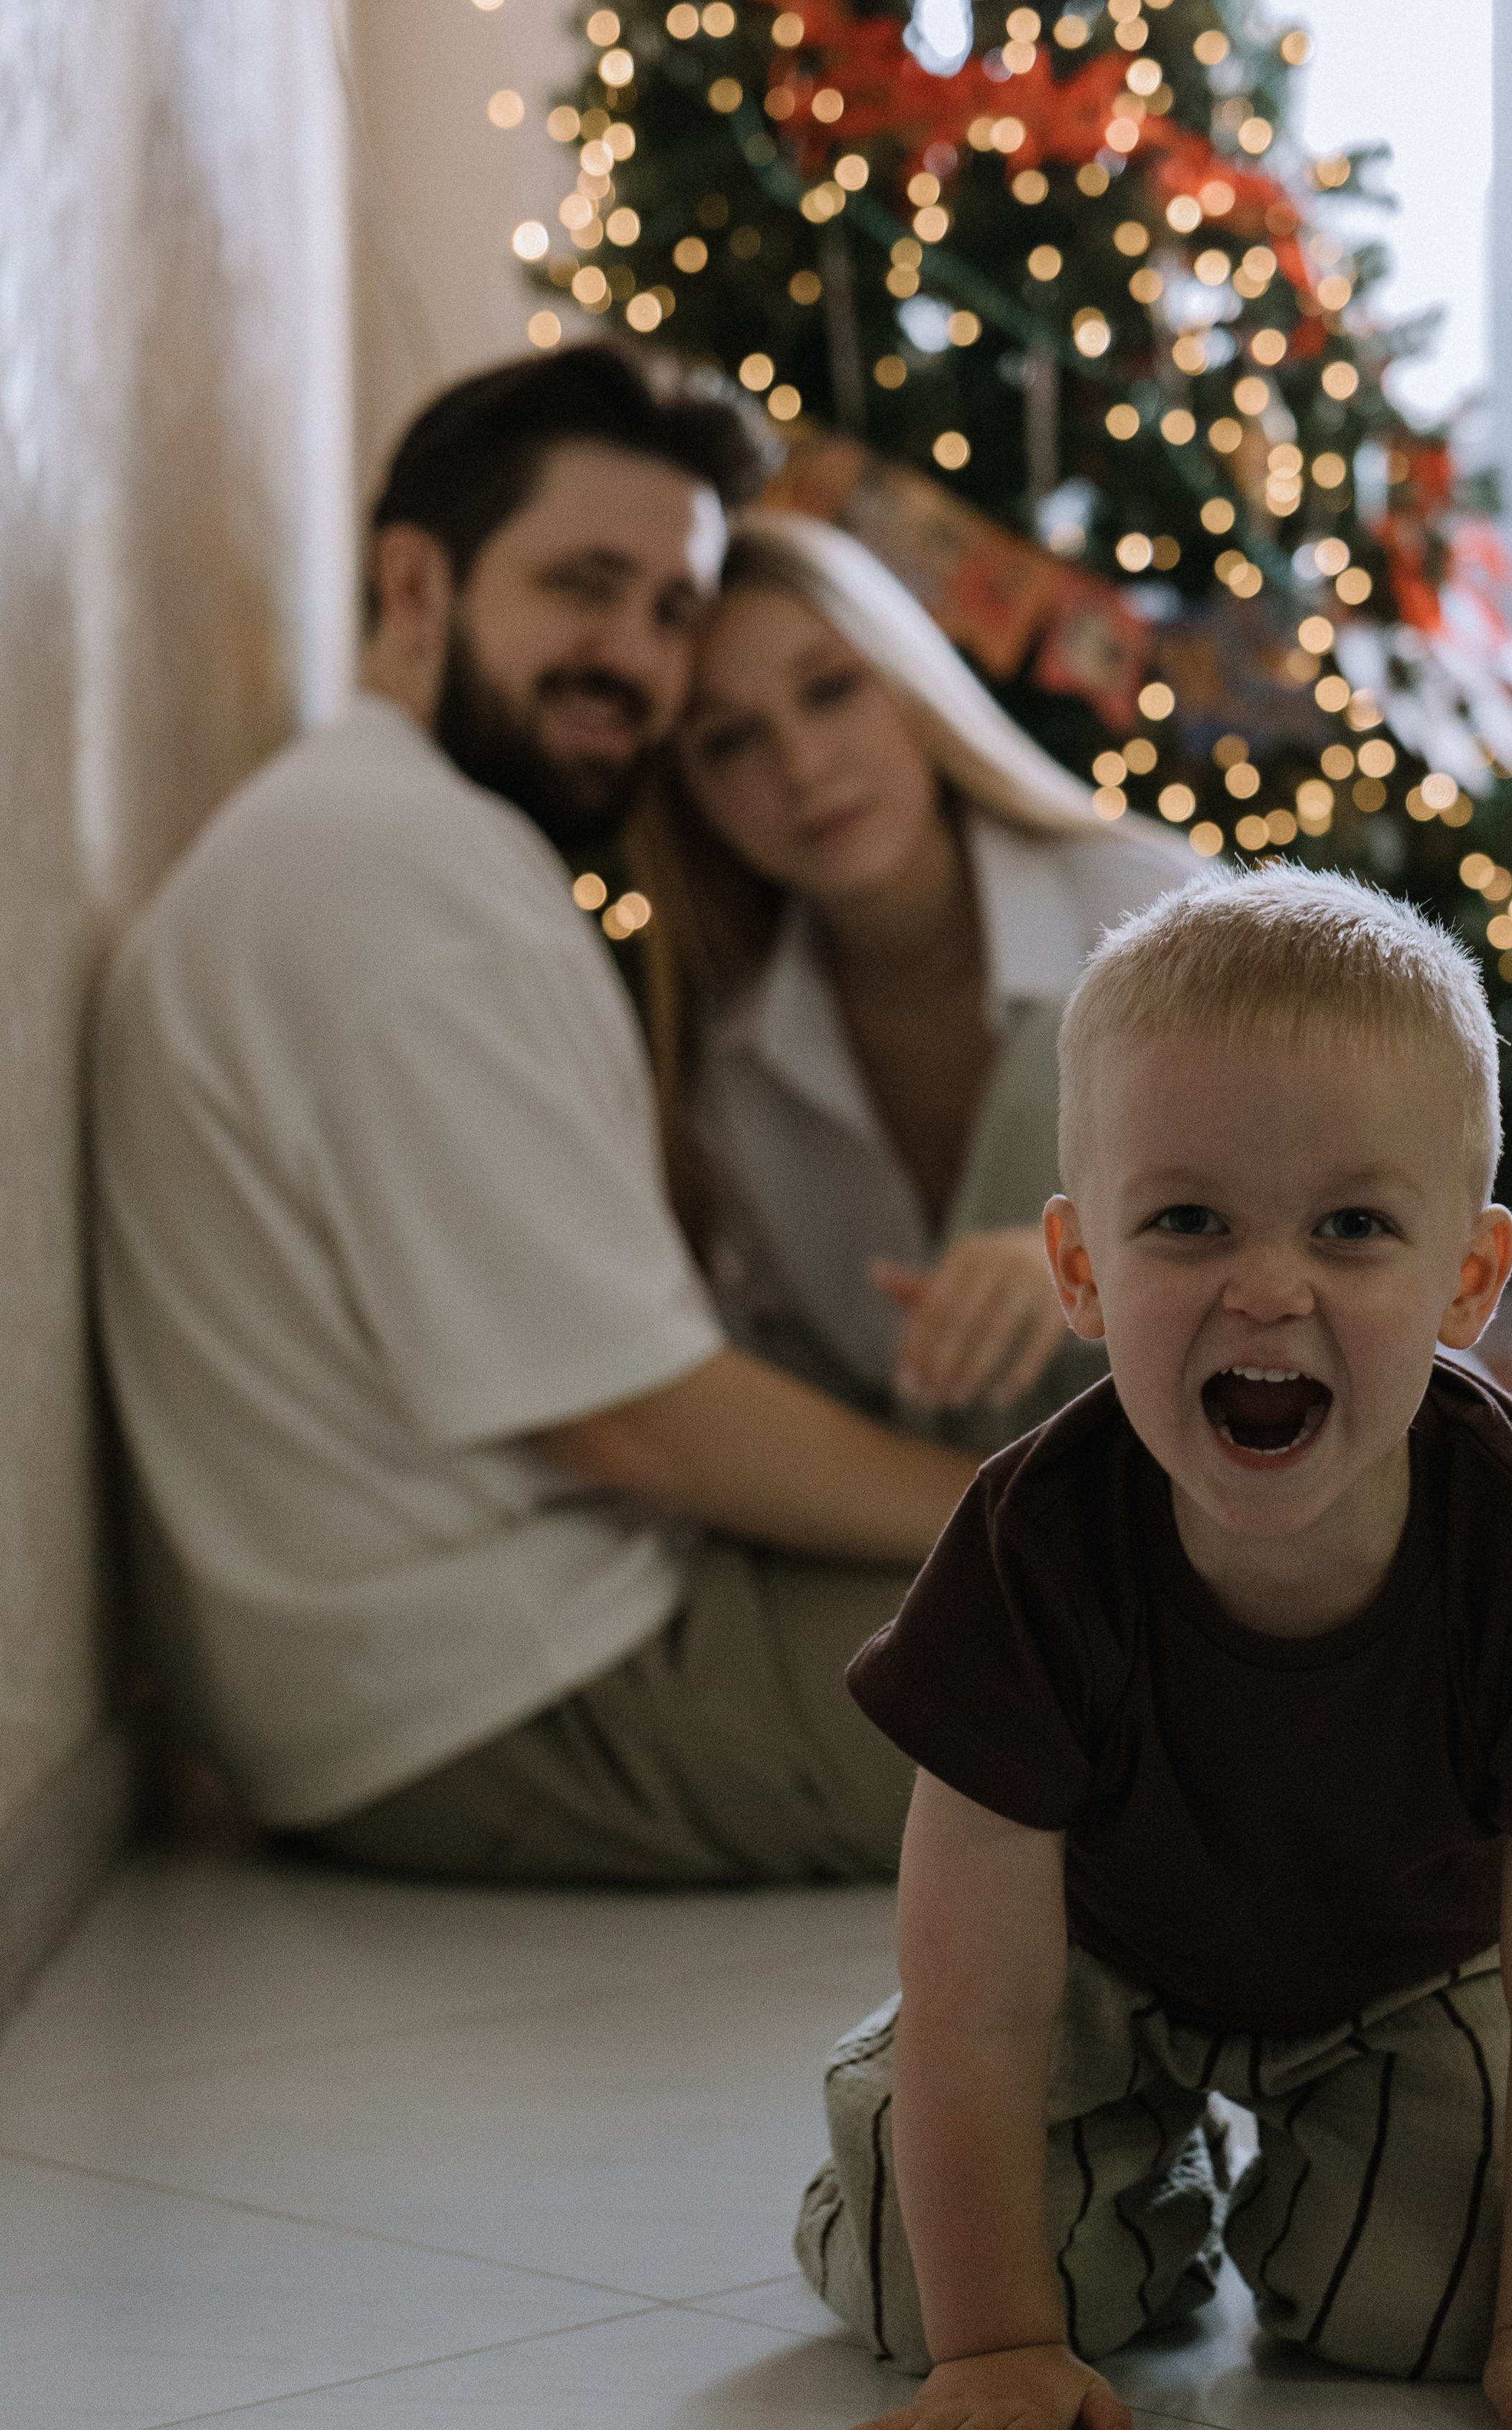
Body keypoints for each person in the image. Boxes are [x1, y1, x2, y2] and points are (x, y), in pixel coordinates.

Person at [797, 868, 1512, 2430]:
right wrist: (998, 2340)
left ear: (1465, 1286)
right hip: (1091, 1980)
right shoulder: (1030, 1547)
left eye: (1348, 1226)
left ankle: (1465, 2198)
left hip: (1410, 1983)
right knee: (940, 2284)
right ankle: (1098, 2171)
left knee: (1424, 2319)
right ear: (1077, 1267)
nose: (1264, 1287)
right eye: (1186, 1219)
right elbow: (985, 1996)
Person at [91, 344, 994, 1886]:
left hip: (445, 1665)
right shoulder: (407, 881)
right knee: (1156, 1665)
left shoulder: (384, 836)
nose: (635, 662)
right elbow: (627, 1418)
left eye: (668, 612)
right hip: (508, 1692)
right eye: (581, 585)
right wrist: (1033, 1519)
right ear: (415, 582)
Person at [627, 512, 1195, 1454]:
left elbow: (1347, 1233)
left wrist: (1102, 1263)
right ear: (689, 791)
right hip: (939, 1556)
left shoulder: (1169, 920)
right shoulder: (729, 1075)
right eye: (729, 740)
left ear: (908, 678)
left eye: (832, 690)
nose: (802, 767)